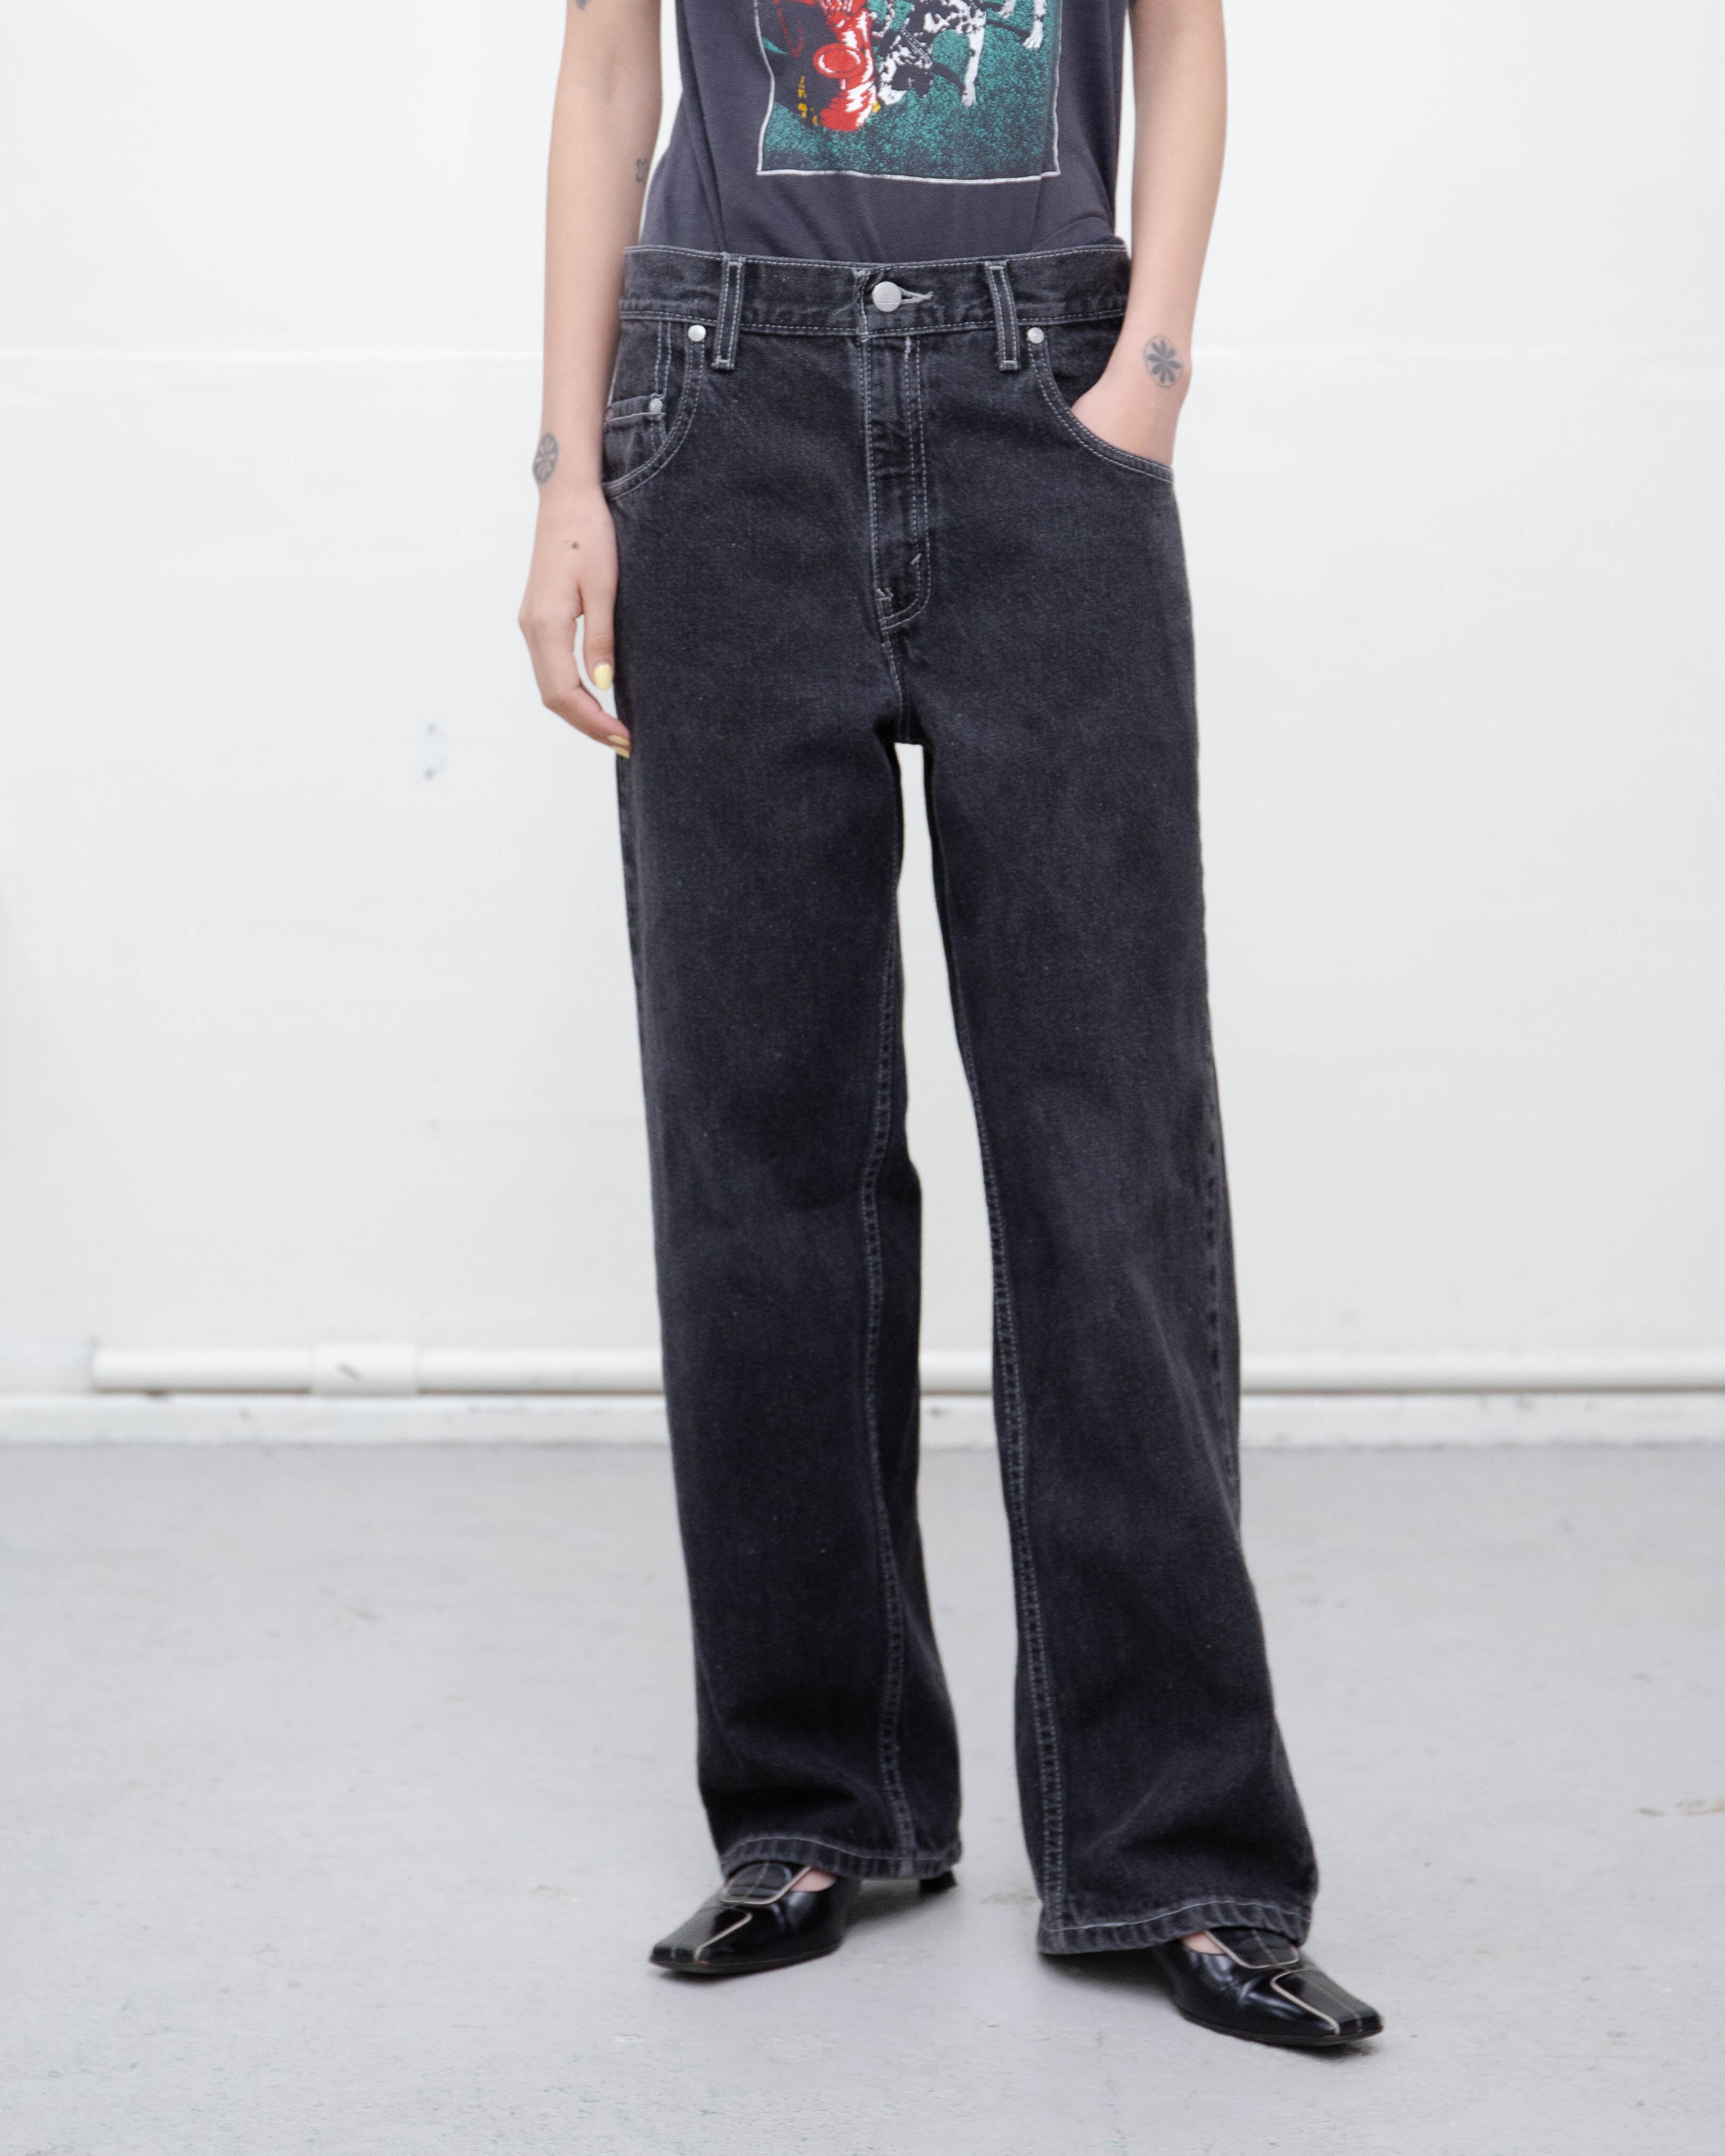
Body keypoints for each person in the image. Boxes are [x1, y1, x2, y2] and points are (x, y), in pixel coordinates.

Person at [518, 0, 1383, 2049]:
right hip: (722, 408)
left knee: (1107, 1143)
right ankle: (815, 1807)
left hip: (1042, 387)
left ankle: (1178, 1850)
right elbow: (608, 74)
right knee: (761, 1144)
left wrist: (1146, 371)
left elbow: (1182, 35)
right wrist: (569, 470)